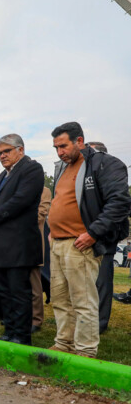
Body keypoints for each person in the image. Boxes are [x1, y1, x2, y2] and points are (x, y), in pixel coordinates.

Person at [47, 122, 131, 357]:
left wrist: (93, 233)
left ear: (80, 141)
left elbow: (120, 203)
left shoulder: (104, 164)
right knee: (60, 299)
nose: (60, 152)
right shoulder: (63, 168)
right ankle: (64, 343)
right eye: (56, 148)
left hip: (80, 243)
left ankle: (85, 351)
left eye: (63, 146)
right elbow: (62, 201)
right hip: (58, 243)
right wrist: (52, 230)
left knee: (83, 301)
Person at [0, 134, 44, 345]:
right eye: (0, 153)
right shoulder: (2, 176)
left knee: (19, 292)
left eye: (7, 151)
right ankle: (9, 330)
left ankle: (21, 336)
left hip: (19, 243)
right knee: (3, 291)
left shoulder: (31, 169)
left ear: (21, 150)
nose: (2, 156)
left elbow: (20, 200)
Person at [87, 141, 121, 334]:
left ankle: (99, 323)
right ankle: (87, 319)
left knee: (101, 282)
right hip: (85, 237)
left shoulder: (110, 171)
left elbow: (115, 206)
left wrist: (97, 231)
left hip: (104, 238)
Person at [30, 186, 52, 333]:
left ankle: (36, 319)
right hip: (14, 241)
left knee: (34, 283)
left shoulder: (44, 190)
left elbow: (41, 213)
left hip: (33, 240)